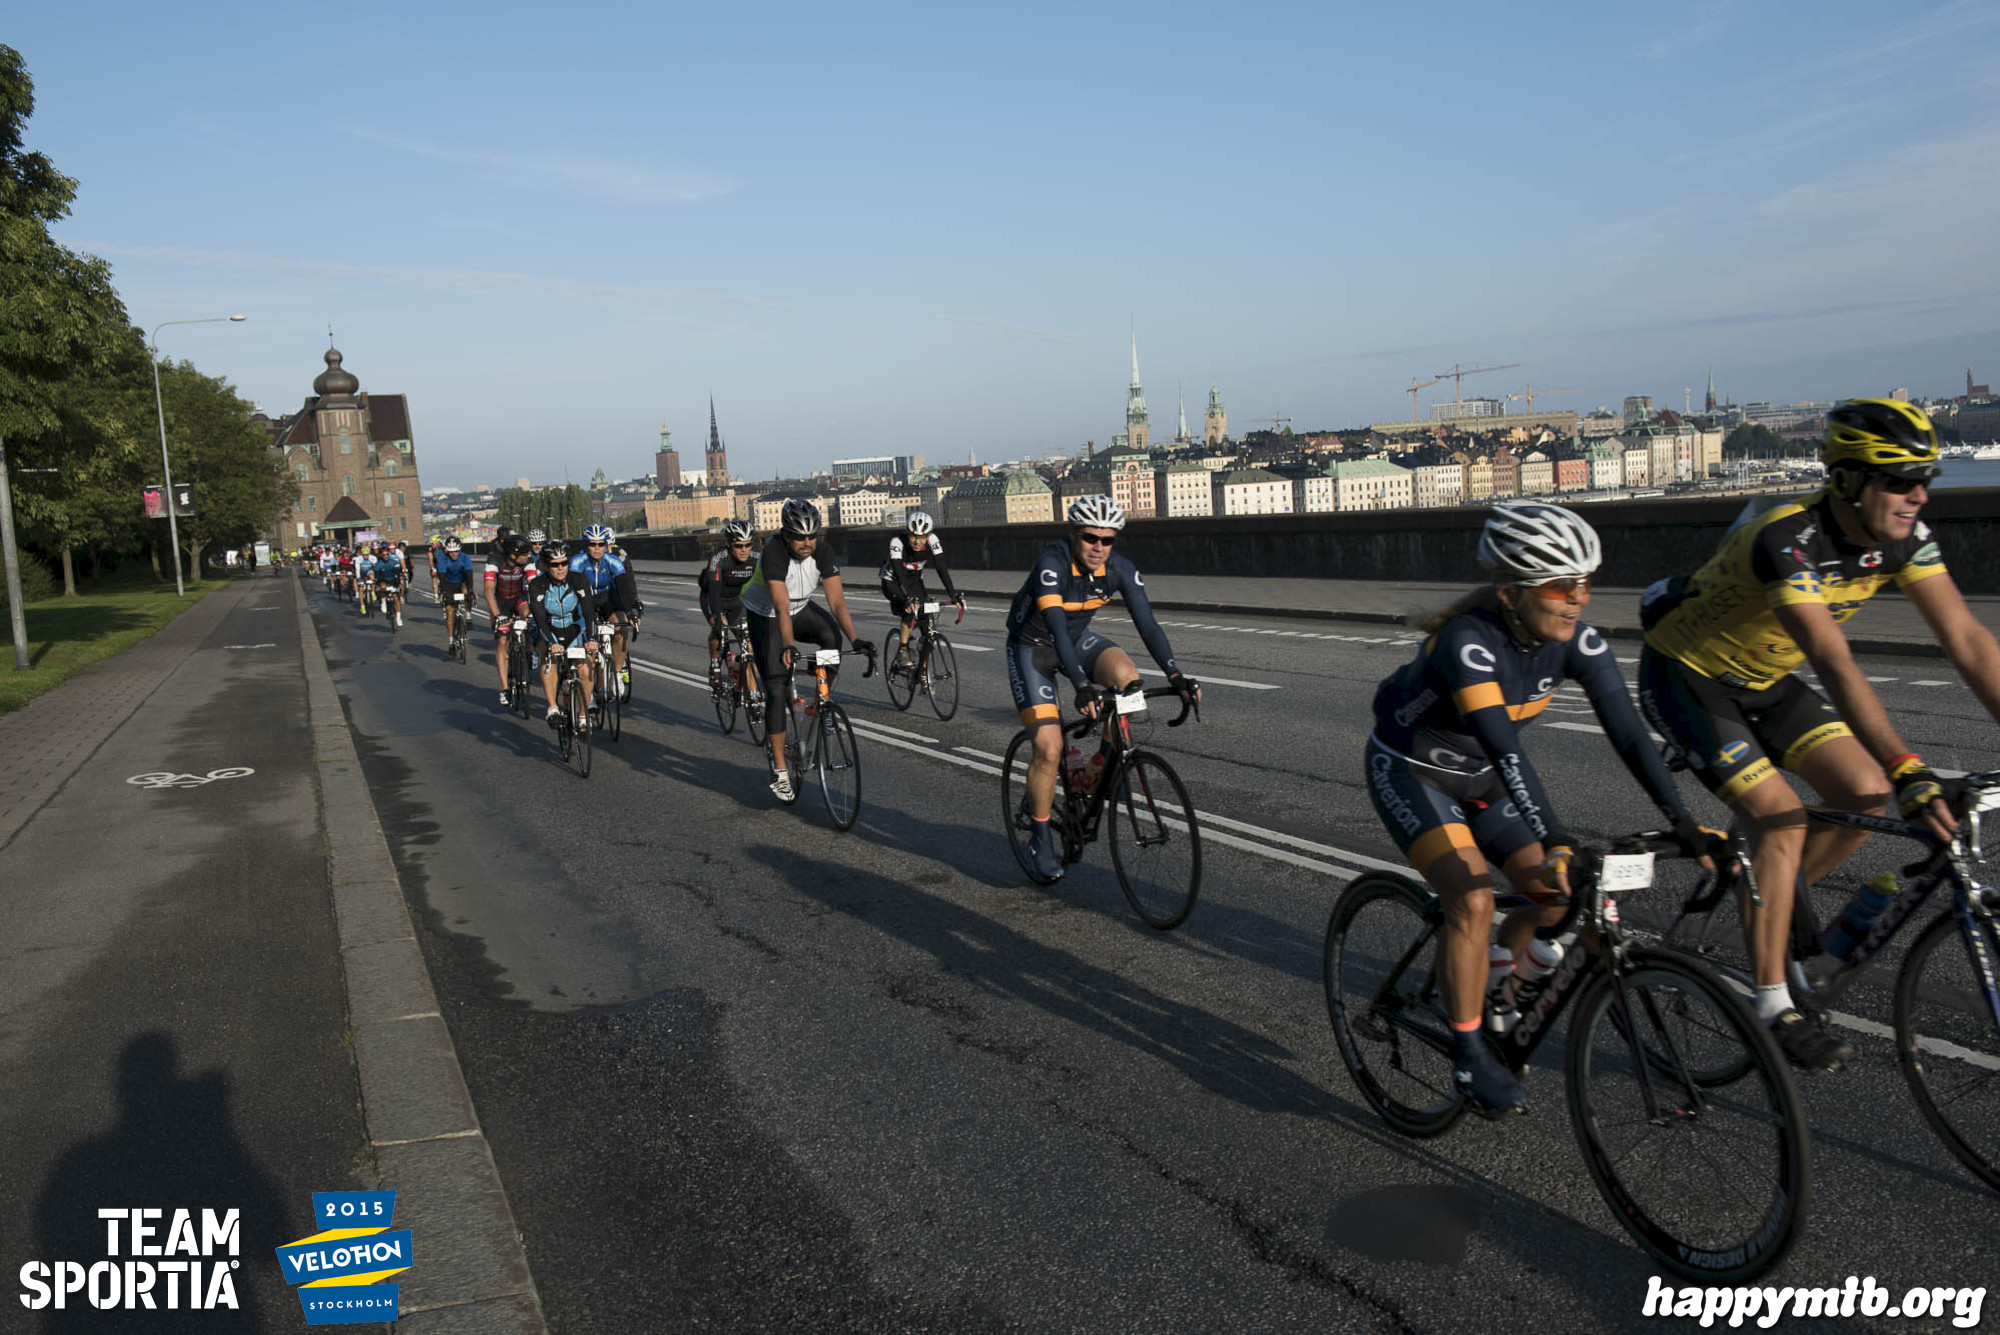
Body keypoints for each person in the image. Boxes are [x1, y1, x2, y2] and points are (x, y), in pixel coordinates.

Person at [1638, 398, 2000, 1072]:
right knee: (1781, 819)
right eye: (1900, 481)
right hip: (1691, 677)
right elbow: (1834, 662)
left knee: (1863, 793)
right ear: (1847, 481)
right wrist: (1908, 767)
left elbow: (1968, 639)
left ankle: (1764, 900)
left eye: (1925, 479)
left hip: (1767, 680)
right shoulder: (1788, 538)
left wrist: (1891, 776)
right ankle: (1774, 1004)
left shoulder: (1906, 535)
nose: (1918, 495)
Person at [1370, 501, 1705, 1114]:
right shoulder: (1467, 642)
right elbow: (1505, 749)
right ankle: (1468, 1054)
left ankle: (1499, 976)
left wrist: (1682, 820)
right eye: (1559, 585)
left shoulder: (1578, 640)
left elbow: (1630, 734)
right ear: (1511, 593)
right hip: (1415, 773)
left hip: (1486, 780)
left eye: (1584, 581)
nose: (1577, 597)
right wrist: (1556, 838)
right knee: (1473, 900)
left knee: (1556, 897)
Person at [1004, 495, 1199, 882]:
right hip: (1033, 648)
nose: (1099, 547)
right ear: (1073, 534)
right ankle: (1040, 839)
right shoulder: (1053, 563)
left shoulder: (1121, 569)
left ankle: (1100, 768)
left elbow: (1148, 624)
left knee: (1129, 682)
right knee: (1049, 747)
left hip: (1077, 640)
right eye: (1091, 537)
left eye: (1107, 540)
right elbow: (1056, 628)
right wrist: (1081, 685)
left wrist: (1176, 675)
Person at [740, 500, 875, 803]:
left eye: (812, 536)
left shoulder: (822, 552)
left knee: (831, 637)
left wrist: (855, 640)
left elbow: (837, 602)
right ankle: (780, 771)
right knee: (776, 689)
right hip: (766, 614)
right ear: (786, 535)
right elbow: (780, 606)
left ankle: (819, 703)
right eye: (800, 537)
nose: (807, 543)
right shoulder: (774, 553)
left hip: (800, 608)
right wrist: (788, 645)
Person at [879, 511, 963, 671]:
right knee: (911, 609)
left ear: (928, 535)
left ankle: (922, 671)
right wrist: (907, 598)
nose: (917, 542)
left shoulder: (933, 540)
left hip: (915, 580)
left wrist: (953, 595)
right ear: (908, 534)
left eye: (922, 537)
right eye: (913, 537)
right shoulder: (897, 542)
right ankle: (903, 650)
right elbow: (898, 572)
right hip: (893, 581)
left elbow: (941, 568)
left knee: (927, 624)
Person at [526, 544, 598, 728]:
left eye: (564, 563)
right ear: (546, 565)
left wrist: (592, 639)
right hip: (548, 628)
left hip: (573, 627)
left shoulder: (578, 579)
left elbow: (589, 612)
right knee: (548, 656)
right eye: (555, 564)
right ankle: (552, 708)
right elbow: (539, 618)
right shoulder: (537, 585)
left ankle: (583, 716)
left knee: (586, 665)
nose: (560, 568)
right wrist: (551, 642)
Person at [574, 524, 641, 700]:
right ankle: (585, 684)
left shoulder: (613, 561)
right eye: (592, 544)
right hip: (583, 599)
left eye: (601, 544)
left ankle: (617, 674)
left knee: (621, 627)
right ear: (586, 545)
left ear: (606, 545)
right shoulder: (577, 561)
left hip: (605, 598)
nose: (597, 548)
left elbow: (624, 590)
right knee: (586, 638)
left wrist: (631, 612)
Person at [699, 519, 759, 696]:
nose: (744, 550)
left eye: (748, 545)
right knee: (720, 629)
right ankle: (715, 664)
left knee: (750, 645)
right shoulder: (719, 558)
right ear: (729, 544)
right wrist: (717, 618)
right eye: (739, 546)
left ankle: (752, 697)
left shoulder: (756, 559)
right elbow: (713, 591)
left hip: (737, 602)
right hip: (713, 598)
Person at [484, 535, 537, 706]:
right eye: (524, 553)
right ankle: (505, 688)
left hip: (518, 599)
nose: (528, 555)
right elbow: (488, 590)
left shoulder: (528, 562)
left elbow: (533, 584)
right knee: (502, 639)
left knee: (528, 615)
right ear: (513, 555)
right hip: (500, 603)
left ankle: (528, 649)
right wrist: (497, 615)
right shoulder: (494, 560)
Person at [433, 537, 477, 645]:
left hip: (461, 582)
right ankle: (451, 641)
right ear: (447, 551)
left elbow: (469, 574)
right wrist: (443, 592)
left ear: (460, 550)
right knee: (449, 612)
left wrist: (471, 589)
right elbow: (442, 576)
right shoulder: (443, 559)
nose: (454, 554)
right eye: (451, 552)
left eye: (456, 551)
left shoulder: (465, 558)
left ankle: (468, 616)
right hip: (448, 584)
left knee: (467, 592)